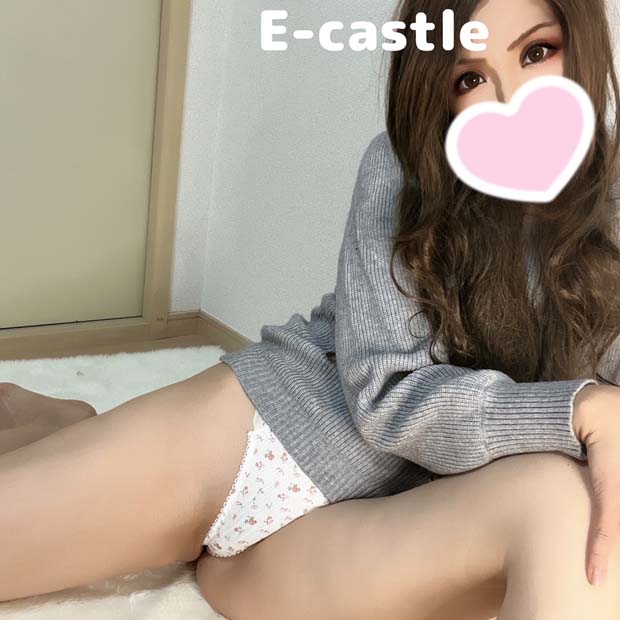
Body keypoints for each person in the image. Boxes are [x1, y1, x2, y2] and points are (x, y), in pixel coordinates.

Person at [1, 0, 620, 617]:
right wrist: (576, 408)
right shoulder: (406, 166)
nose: (510, 97)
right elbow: (386, 393)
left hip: (376, 526)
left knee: (570, 512)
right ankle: (65, 425)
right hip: (260, 441)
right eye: (470, 78)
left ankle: (79, 440)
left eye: (538, 51)